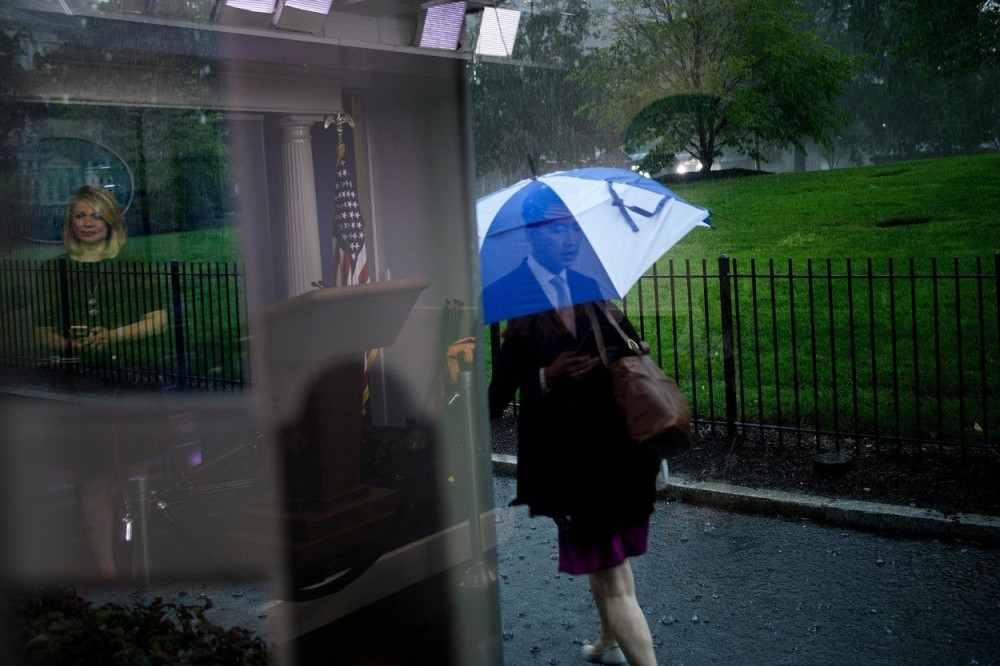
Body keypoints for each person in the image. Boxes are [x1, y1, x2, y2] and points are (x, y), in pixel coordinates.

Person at [488, 198, 661, 666]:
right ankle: (615, 640)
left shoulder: (586, 284)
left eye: (573, 230)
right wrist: (548, 375)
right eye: (558, 231)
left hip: (614, 451)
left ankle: (609, 638)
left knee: (610, 565)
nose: (570, 240)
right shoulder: (516, 295)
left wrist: (622, 351)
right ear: (532, 235)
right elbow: (494, 399)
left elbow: (631, 340)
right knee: (609, 567)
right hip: (571, 464)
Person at [33, 185, 168, 578]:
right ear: (70, 222)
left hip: (132, 382)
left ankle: (138, 557)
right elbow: (41, 329)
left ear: (111, 221)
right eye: (80, 215)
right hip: (81, 390)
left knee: (135, 474)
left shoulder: (136, 266)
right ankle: (107, 570)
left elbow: (158, 320)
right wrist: (69, 344)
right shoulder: (52, 270)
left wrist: (113, 336)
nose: (88, 223)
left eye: (96, 215)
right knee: (92, 478)